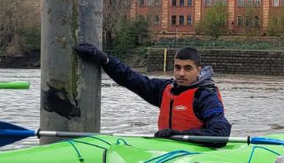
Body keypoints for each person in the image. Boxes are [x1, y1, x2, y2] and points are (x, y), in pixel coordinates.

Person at [73, 43, 231, 138]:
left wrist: (177, 134)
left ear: (198, 70)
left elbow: (220, 132)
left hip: (196, 154)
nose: (181, 73)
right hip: (169, 151)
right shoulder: (165, 89)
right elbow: (131, 79)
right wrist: (105, 60)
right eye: (177, 68)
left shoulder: (206, 96)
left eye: (188, 68)